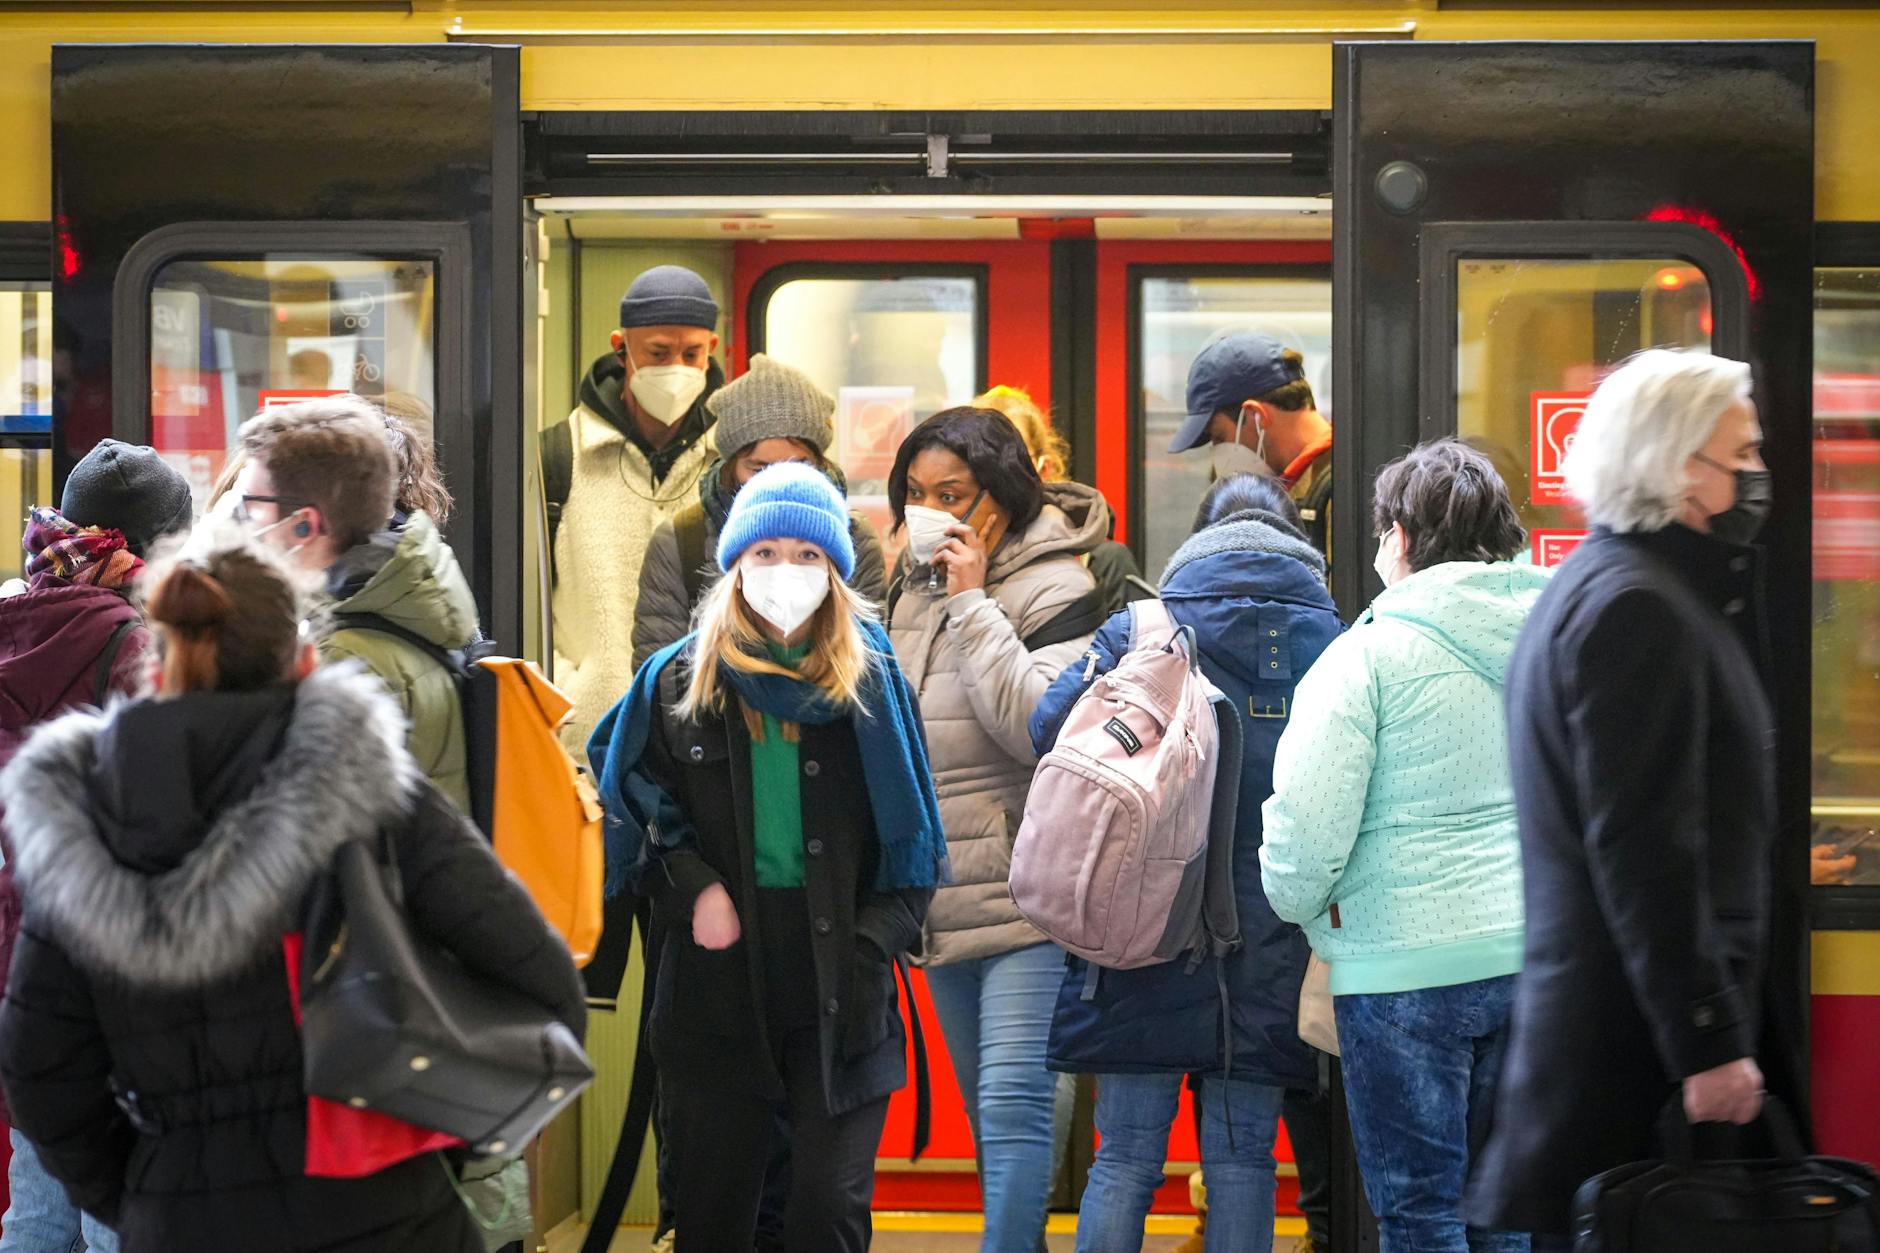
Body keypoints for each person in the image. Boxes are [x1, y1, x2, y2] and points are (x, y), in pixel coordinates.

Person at [0, 527, 586, 1253]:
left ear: (158, 663)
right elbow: (545, 986)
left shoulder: (81, 826)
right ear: (306, 658)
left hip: (181, 1221)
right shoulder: (376, 801)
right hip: (389, 1212)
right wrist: (440, 1136)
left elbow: (39, 1069)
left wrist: (148, 1183)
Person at [588, 463, 946, 1253]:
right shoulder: (680, 677)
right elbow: (634, 798)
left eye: (809, 556)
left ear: (838, 570)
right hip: (716, 992)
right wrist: (691, 884)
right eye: (767, 553)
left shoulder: (874, 682)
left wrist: (865, 949)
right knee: (715, 1218)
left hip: (840, 991)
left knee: (824, 1215)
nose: (787, 572)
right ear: (735, 563)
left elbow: (915, 848)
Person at [1467, 351, 1778, 1248]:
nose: (1757, 475)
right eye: (1742, 453)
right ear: (1682, 466)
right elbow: (1647, 850)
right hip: (1636, 1070)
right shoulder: (1640, 610)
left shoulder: (1612, 591)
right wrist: (1708, 1041)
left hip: (1621, 1057)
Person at [1030, 474, 1343, 1253]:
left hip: (1145, 922)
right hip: (1271, 935)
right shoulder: (1335, 636)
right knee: (1241, 1165)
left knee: (1127, 1158)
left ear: (1201, 535)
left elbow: (1047, 728)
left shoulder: (1142, 627)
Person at [1258, 439, 1542, 1253]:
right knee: (1505, 1209)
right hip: (1525, 955)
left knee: (1421, 1214)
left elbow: (1305, 838)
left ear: (1401, 536)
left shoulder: (1365, 657)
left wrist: (1306, 910)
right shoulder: (1555, 635)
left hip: (1400, 974)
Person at [885, 406, 1109, 1252]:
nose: (932, 509)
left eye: (953, 492)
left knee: (1016, 1102)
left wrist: (974, 599)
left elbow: (1031, 723)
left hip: (1027, 885)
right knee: (989, 1112)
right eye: (916, 492)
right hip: (940, 886)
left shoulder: (1060, 586)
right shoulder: (908, 585)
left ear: (1002, 494)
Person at [0, 440, 192, 1253]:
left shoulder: (12, 616)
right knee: (121, 1210)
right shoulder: (134, 645)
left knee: (40, 1202)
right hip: (105, 972)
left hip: (17, 963)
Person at [229, 395, 479, 812]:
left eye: (253, 507)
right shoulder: (404, 603)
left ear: (304, 523)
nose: (240, 524)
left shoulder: (343, 659)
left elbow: (298, 834)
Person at [544, 265, 725, 751]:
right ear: (621, 347)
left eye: (693, 354)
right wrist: (569, 689)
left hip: (709, 740)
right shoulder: (558, 456)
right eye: (658, 353)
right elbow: (527, 600)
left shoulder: (733, 462)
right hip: (587, 739)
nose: (677, 369)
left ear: (713, 348)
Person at [634, 354, 887, 672]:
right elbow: (661, 676)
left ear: (820, 464)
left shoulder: (853, 538)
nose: (778, 479)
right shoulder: (682, 541)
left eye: (797, 465)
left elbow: (869, 663)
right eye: (759, 468)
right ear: (730, 468)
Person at [975, 385, 1152, 615]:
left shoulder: (1103, 561)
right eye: (979, 459)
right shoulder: (945, 557)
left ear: (1044, 468)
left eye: (1013, 457)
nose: (995, 473)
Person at [1167, 331, 1333, 558]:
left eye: (1219, 437)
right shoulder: (1290, 488)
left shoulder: (1336, 488)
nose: (1218, 455)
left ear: (1256, 416)